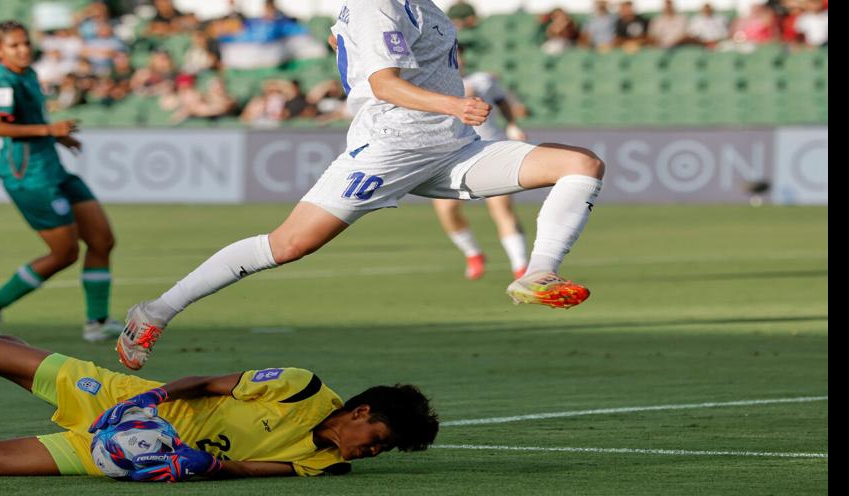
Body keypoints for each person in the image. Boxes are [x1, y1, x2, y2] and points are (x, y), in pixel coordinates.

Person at [114, 0, 605, 371]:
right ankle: (154, 311)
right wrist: (454, 105)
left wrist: (345, 43)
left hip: (451, 149)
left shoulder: (415, 5)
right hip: (391, 148)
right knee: (287, 245)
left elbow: (343, 40)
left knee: (580, 164)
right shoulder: (378, 4)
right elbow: (385, 83)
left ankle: (536, 274)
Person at [0, 334, 439, 481]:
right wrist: (152, 396)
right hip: (121, 402)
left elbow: (241, 476)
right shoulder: (297, 385)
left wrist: (190, 467)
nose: (368, 451)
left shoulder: (318, 464)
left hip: (110, 454)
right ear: (359, 411)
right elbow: (205, 381)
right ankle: (42, 367)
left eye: (379, 451)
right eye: (375, 438)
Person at [0, 21, 124, 344]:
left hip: (52, 168)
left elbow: (30, 122)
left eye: (25, 43)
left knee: (102, 240)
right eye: (13, 46)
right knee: (65, 253)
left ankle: (96, 322)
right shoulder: (3, 79)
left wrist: (58, 139)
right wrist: (49, 131)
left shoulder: (27, 73)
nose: (23, 49)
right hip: (28, 177)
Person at [432, 70, 529, 280]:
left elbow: (502, 102)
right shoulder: (430, 81)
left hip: (490, 150)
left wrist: (512, 125)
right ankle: (473, 254)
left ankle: (521, 268)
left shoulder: (482, 80)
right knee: (447, 210)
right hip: (452, 154)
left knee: (502, 208)